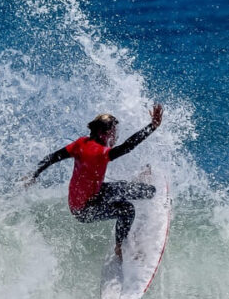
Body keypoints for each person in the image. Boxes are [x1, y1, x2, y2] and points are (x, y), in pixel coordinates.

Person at [25, 104, 164, 259]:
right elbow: (128, 146)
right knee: (127, 209)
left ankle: (139, 188)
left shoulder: (80, 144)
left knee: (140, 190)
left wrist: (33, 175)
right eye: (114, 132)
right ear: (103, 133)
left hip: (94, 193)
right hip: (85, 210)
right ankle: (120, 248)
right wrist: (152, 127)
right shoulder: (101, 153)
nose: (115, 136)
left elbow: (51, 157)